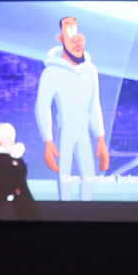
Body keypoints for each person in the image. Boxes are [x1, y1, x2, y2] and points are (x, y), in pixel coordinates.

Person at [35, 16, 110, 201]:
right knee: (64, 179)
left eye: (76, 30)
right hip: (66, 133)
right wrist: (47, 141)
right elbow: (42, 107)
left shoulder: (90, 70)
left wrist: (100, 137)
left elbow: (95, 105)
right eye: (69, 31)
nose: (76, 38)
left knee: (89, 178)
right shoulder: (51, 72)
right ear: (60, 38)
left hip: (84, 133)